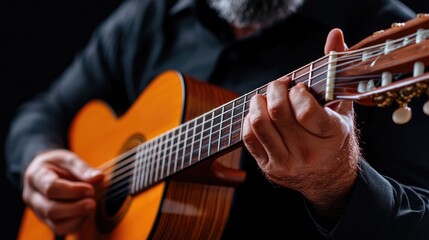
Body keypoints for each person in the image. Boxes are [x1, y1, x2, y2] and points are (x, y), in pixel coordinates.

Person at [5, 0, 429, 239]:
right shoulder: (148, 18)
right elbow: (43, 112)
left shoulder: (375, 25)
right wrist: (39, 162)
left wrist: (336, 185)